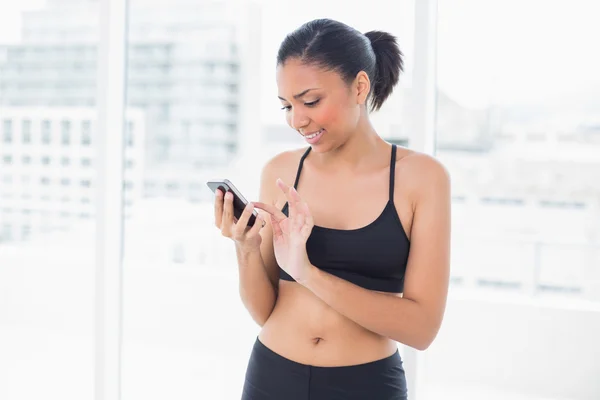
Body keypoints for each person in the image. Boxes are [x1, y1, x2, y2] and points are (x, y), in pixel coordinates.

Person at [213, 18, 451, 400]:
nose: (297, 120)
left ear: (359, 86)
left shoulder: (421, 178)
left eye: (310, 101)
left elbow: (422, 329)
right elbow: (264, 311)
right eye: (287, 106)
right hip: (271, 376)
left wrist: (307, 274)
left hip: (366, 386)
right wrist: (244, 250)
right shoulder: (281, 171)